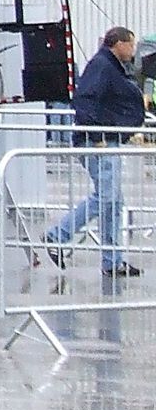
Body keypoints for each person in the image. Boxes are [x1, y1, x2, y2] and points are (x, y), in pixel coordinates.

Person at [44, 26, 146, 276]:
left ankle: (112, 261)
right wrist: (96, 133)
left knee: (113, 201)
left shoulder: (112, 67)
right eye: (130, 44)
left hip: (107, 138)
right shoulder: (102, 65)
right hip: (97, 141)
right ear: (118, 44)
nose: (133, 50)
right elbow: (85, 99)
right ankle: (57, 236)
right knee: (106, 197)